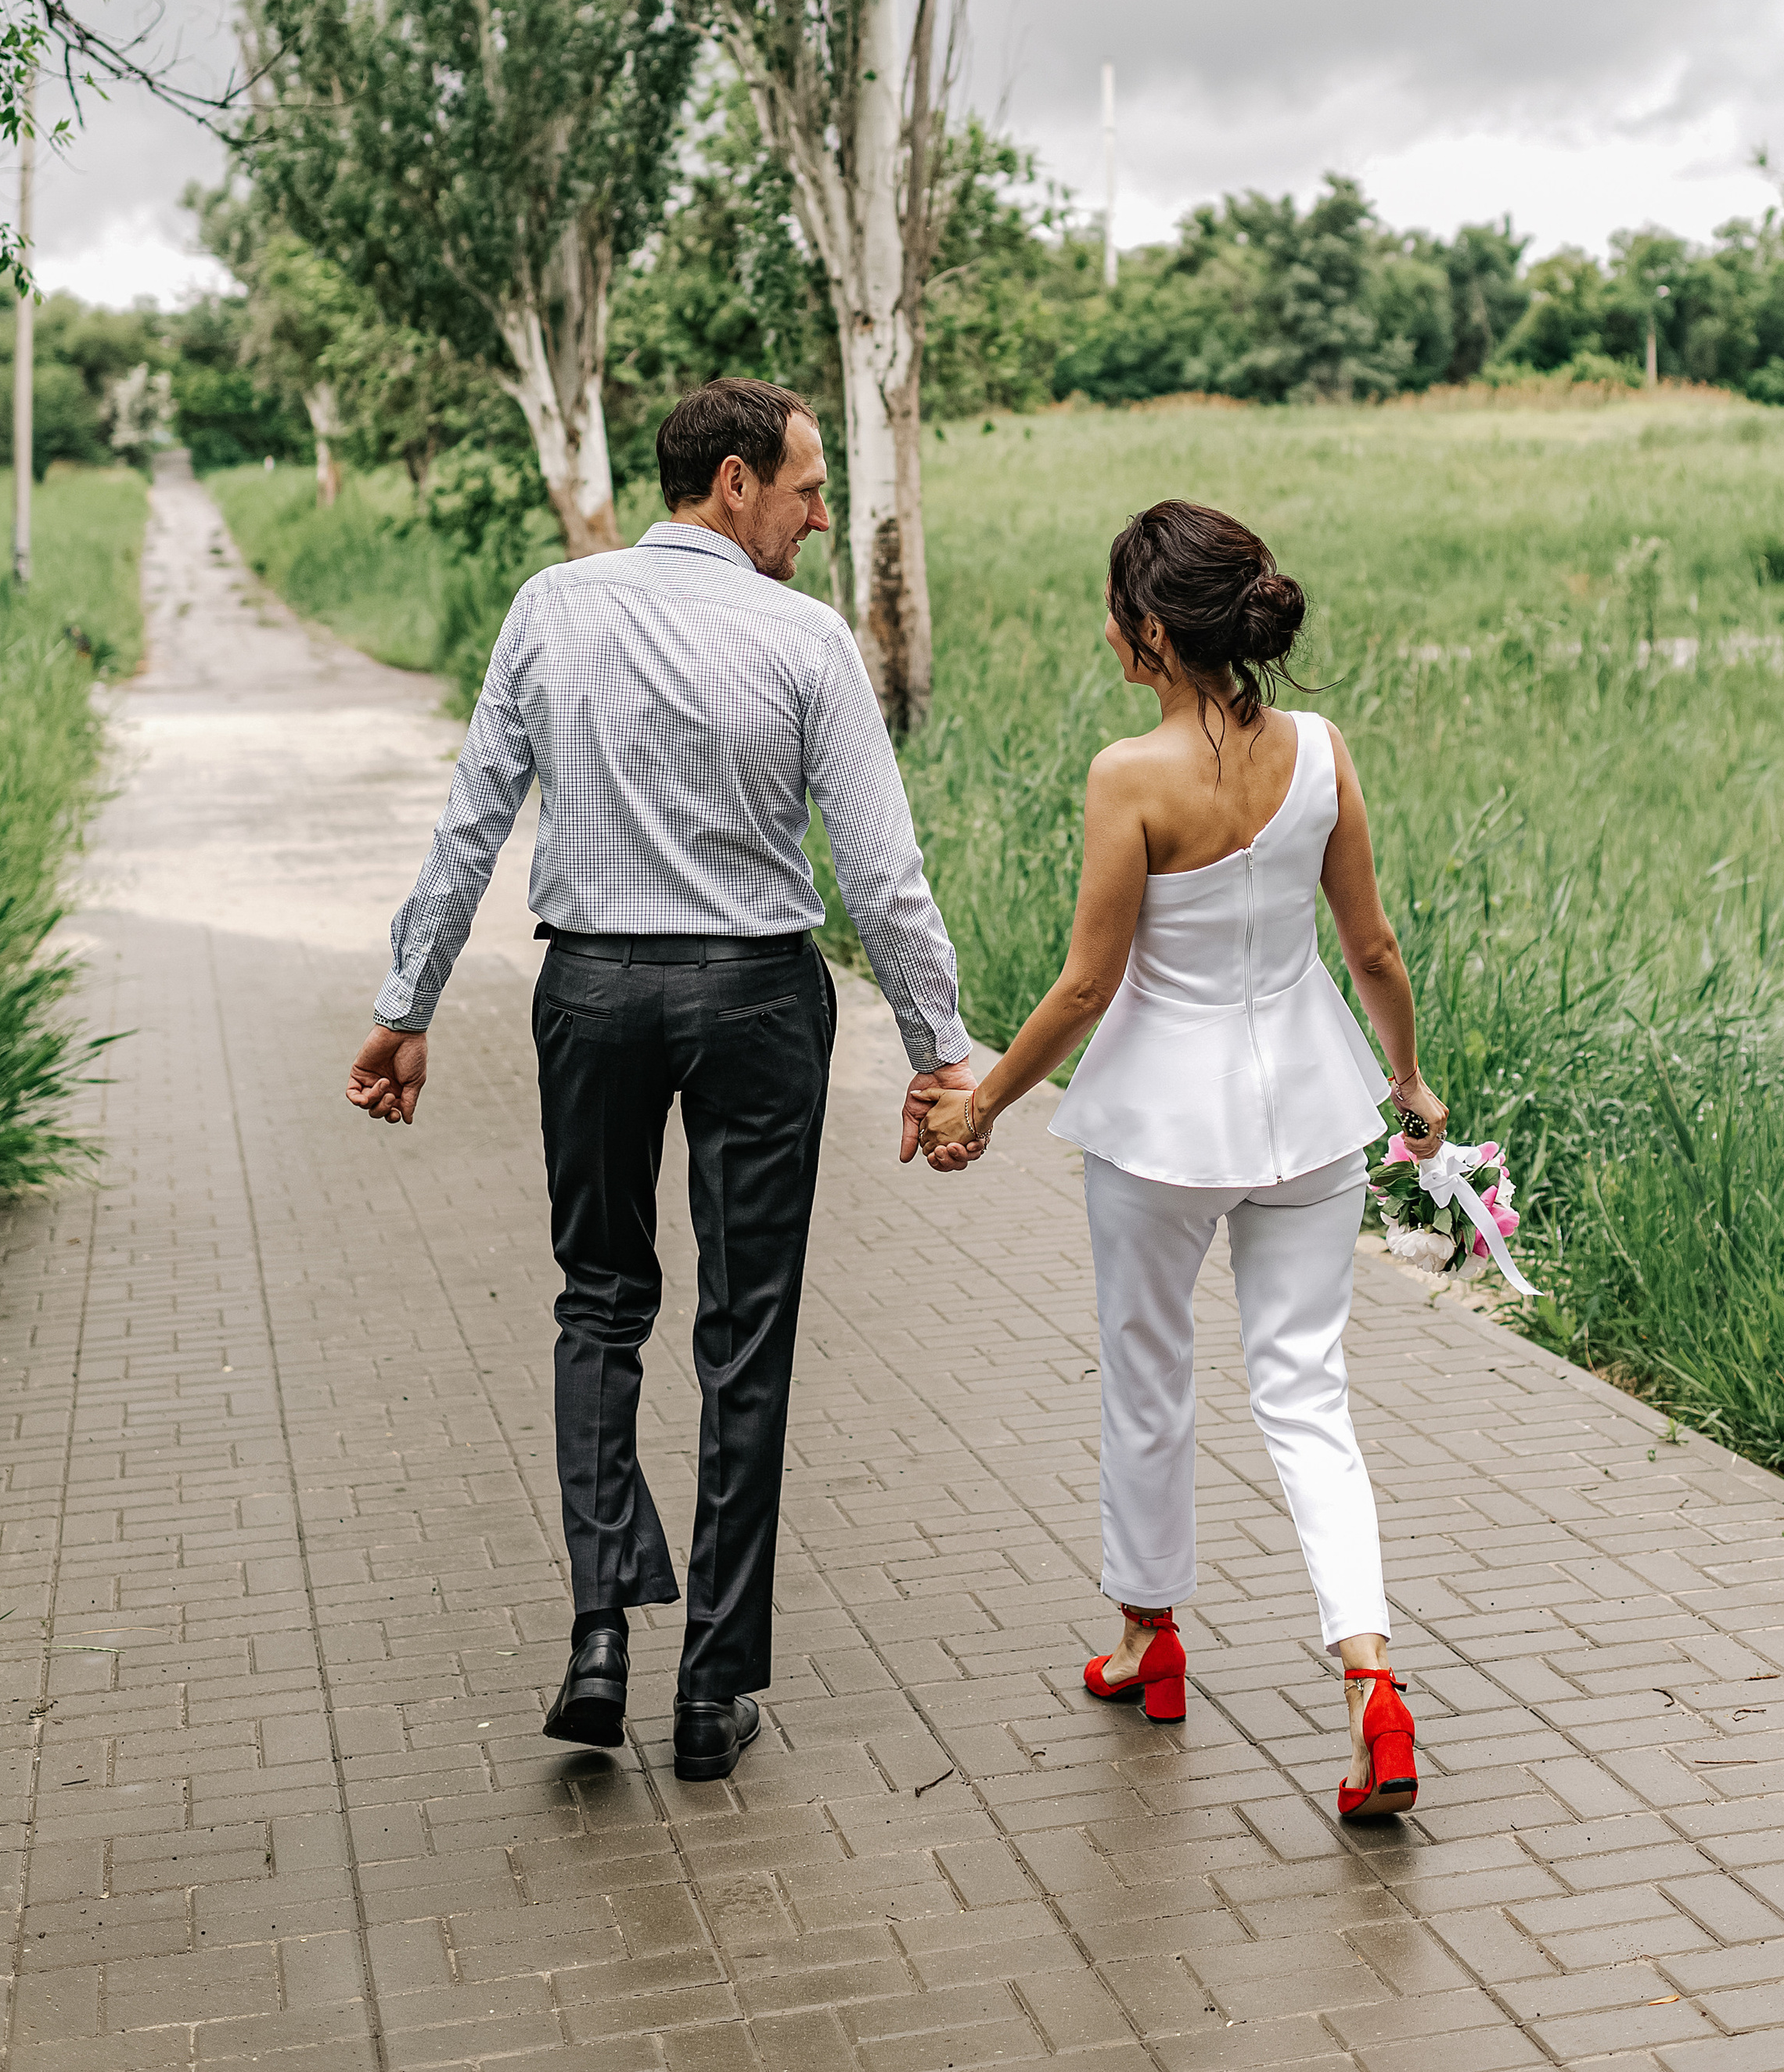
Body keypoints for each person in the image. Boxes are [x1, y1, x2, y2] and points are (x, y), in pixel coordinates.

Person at [346, 380, 979, 1782]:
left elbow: (472, 825)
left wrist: (409, 1001)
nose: (823, 517)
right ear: (737, 482)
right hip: (757, 1000)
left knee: (600, 1303)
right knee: (745, 1336)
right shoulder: (806, 639)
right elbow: (880, 874)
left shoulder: (550, 608)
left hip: (595, 996)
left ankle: (595, 1635)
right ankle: (711, 1692)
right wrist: (944, 1054)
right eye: (810, 490)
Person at [917, 498, 1448, 1819]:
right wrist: (1409, 1079)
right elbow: (1372, 948)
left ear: (1151, 633)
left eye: (1117, 610)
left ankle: (1152, 1637)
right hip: (1315, 1108)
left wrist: (979, 1103)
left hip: (1163, 1120)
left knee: (1148, 1374)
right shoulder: (1321, 750)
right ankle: (1370, 1680)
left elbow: (1089, 985)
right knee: (1306, 1388)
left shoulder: (1127, 775)